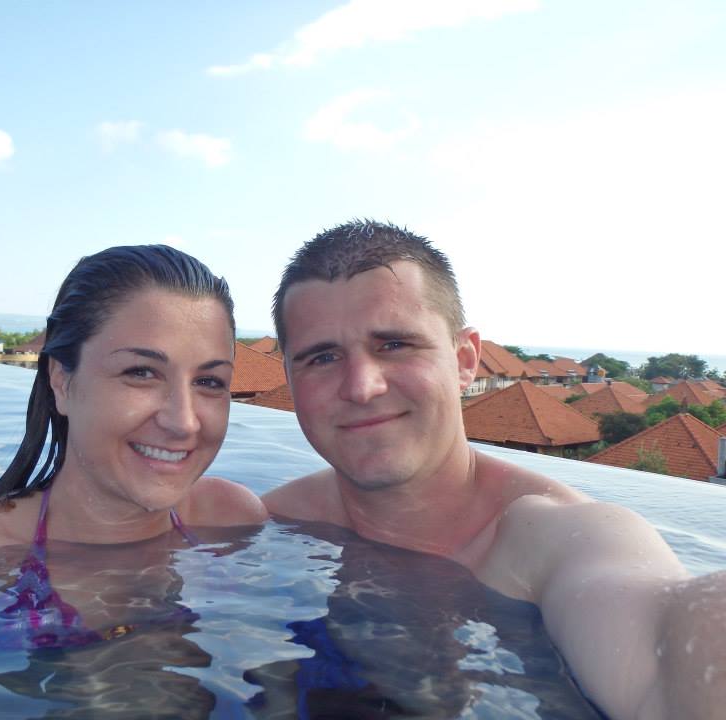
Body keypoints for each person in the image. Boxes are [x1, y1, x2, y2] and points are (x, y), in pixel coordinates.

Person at [262, 220, 725, 720]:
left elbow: (663, 644)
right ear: (290, 377)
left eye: (394, 345)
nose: (361, 387)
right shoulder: (270, 520)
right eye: (322, 357)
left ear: (465, 360)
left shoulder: (552, 538)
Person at [0, 244, 267, 564]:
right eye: (141, 372)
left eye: (209, 381)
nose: (183, 422)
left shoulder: (232, 520)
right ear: (60, 380)